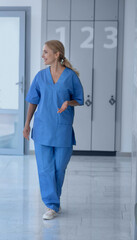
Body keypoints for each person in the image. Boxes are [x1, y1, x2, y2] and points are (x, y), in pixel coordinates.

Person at [23, 40, 84, 220]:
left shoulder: (70, 76)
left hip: (63, 129)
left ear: (57, 54)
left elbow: (79, 99)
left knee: (59, 168)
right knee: (45, 169)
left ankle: (53, 202)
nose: (43, 56)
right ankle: (51, 205)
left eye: (46, 52)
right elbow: (33, 101)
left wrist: (68, 102)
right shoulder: (40, 76)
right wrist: (27, 124)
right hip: (42, 128)